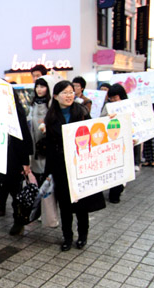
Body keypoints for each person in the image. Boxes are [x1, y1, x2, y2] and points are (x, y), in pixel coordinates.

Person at [44, 80, 105, 251]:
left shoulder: (82, 112)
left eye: (71, 92)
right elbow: (49, 146)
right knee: (64, 204)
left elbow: (94, 132)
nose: (69, 95)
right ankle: (67, 237)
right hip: (60, 166)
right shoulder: (51, 117)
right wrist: (48, 172)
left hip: (81, 164)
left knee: (81, 203)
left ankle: (83, 235)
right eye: (64, 92)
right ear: (56, 96)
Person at [0, 91, 33, 235]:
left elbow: (24, 136)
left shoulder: (17, 111)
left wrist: (25, 162)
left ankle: (18, 221)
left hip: (13, 158)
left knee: (16, 192)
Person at [106, 84, 130, 202]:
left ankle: (118, 189)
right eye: (111, 98)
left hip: (125, 141)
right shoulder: (107, 106)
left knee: (122, 167)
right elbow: (100, 120)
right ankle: (114, 191)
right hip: (112, 142)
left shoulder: (128, 106)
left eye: (116, 97)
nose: (114, 100)